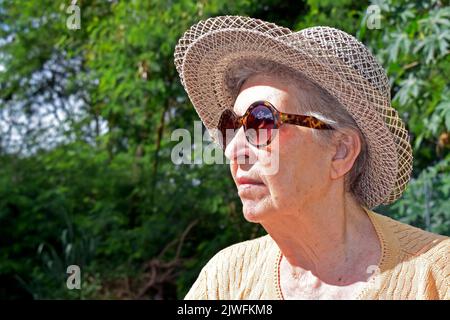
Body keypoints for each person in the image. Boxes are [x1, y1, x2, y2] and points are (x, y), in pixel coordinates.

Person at [173, 15, 449, 299]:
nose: (233, 151)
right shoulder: (225, 280)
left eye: (262, 122)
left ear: (341, 151)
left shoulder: (435, 277)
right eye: (231, 127)